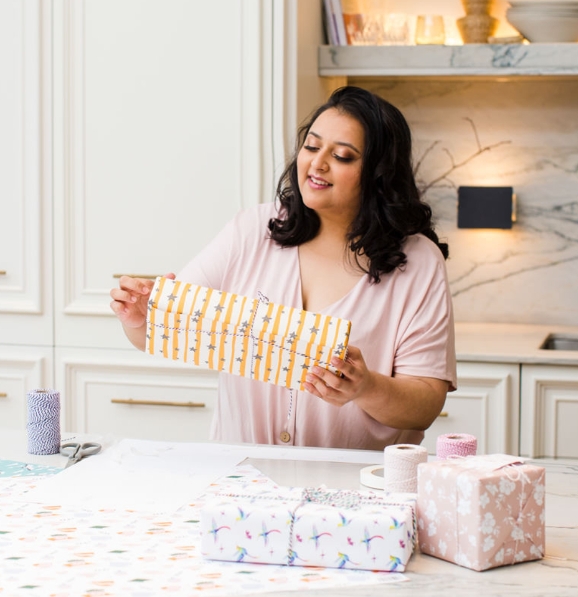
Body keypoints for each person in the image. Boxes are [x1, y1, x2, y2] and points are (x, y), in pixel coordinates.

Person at [110, 85, 457, 451]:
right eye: (311, 146)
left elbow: (425, 405)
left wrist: (366, 387)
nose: (317, 163)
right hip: (239, 478)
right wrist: (138, 316)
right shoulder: (251, 230)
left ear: (379, 174)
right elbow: (163, 327)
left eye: (342, 156)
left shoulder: (419, 263)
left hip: (355, 489)